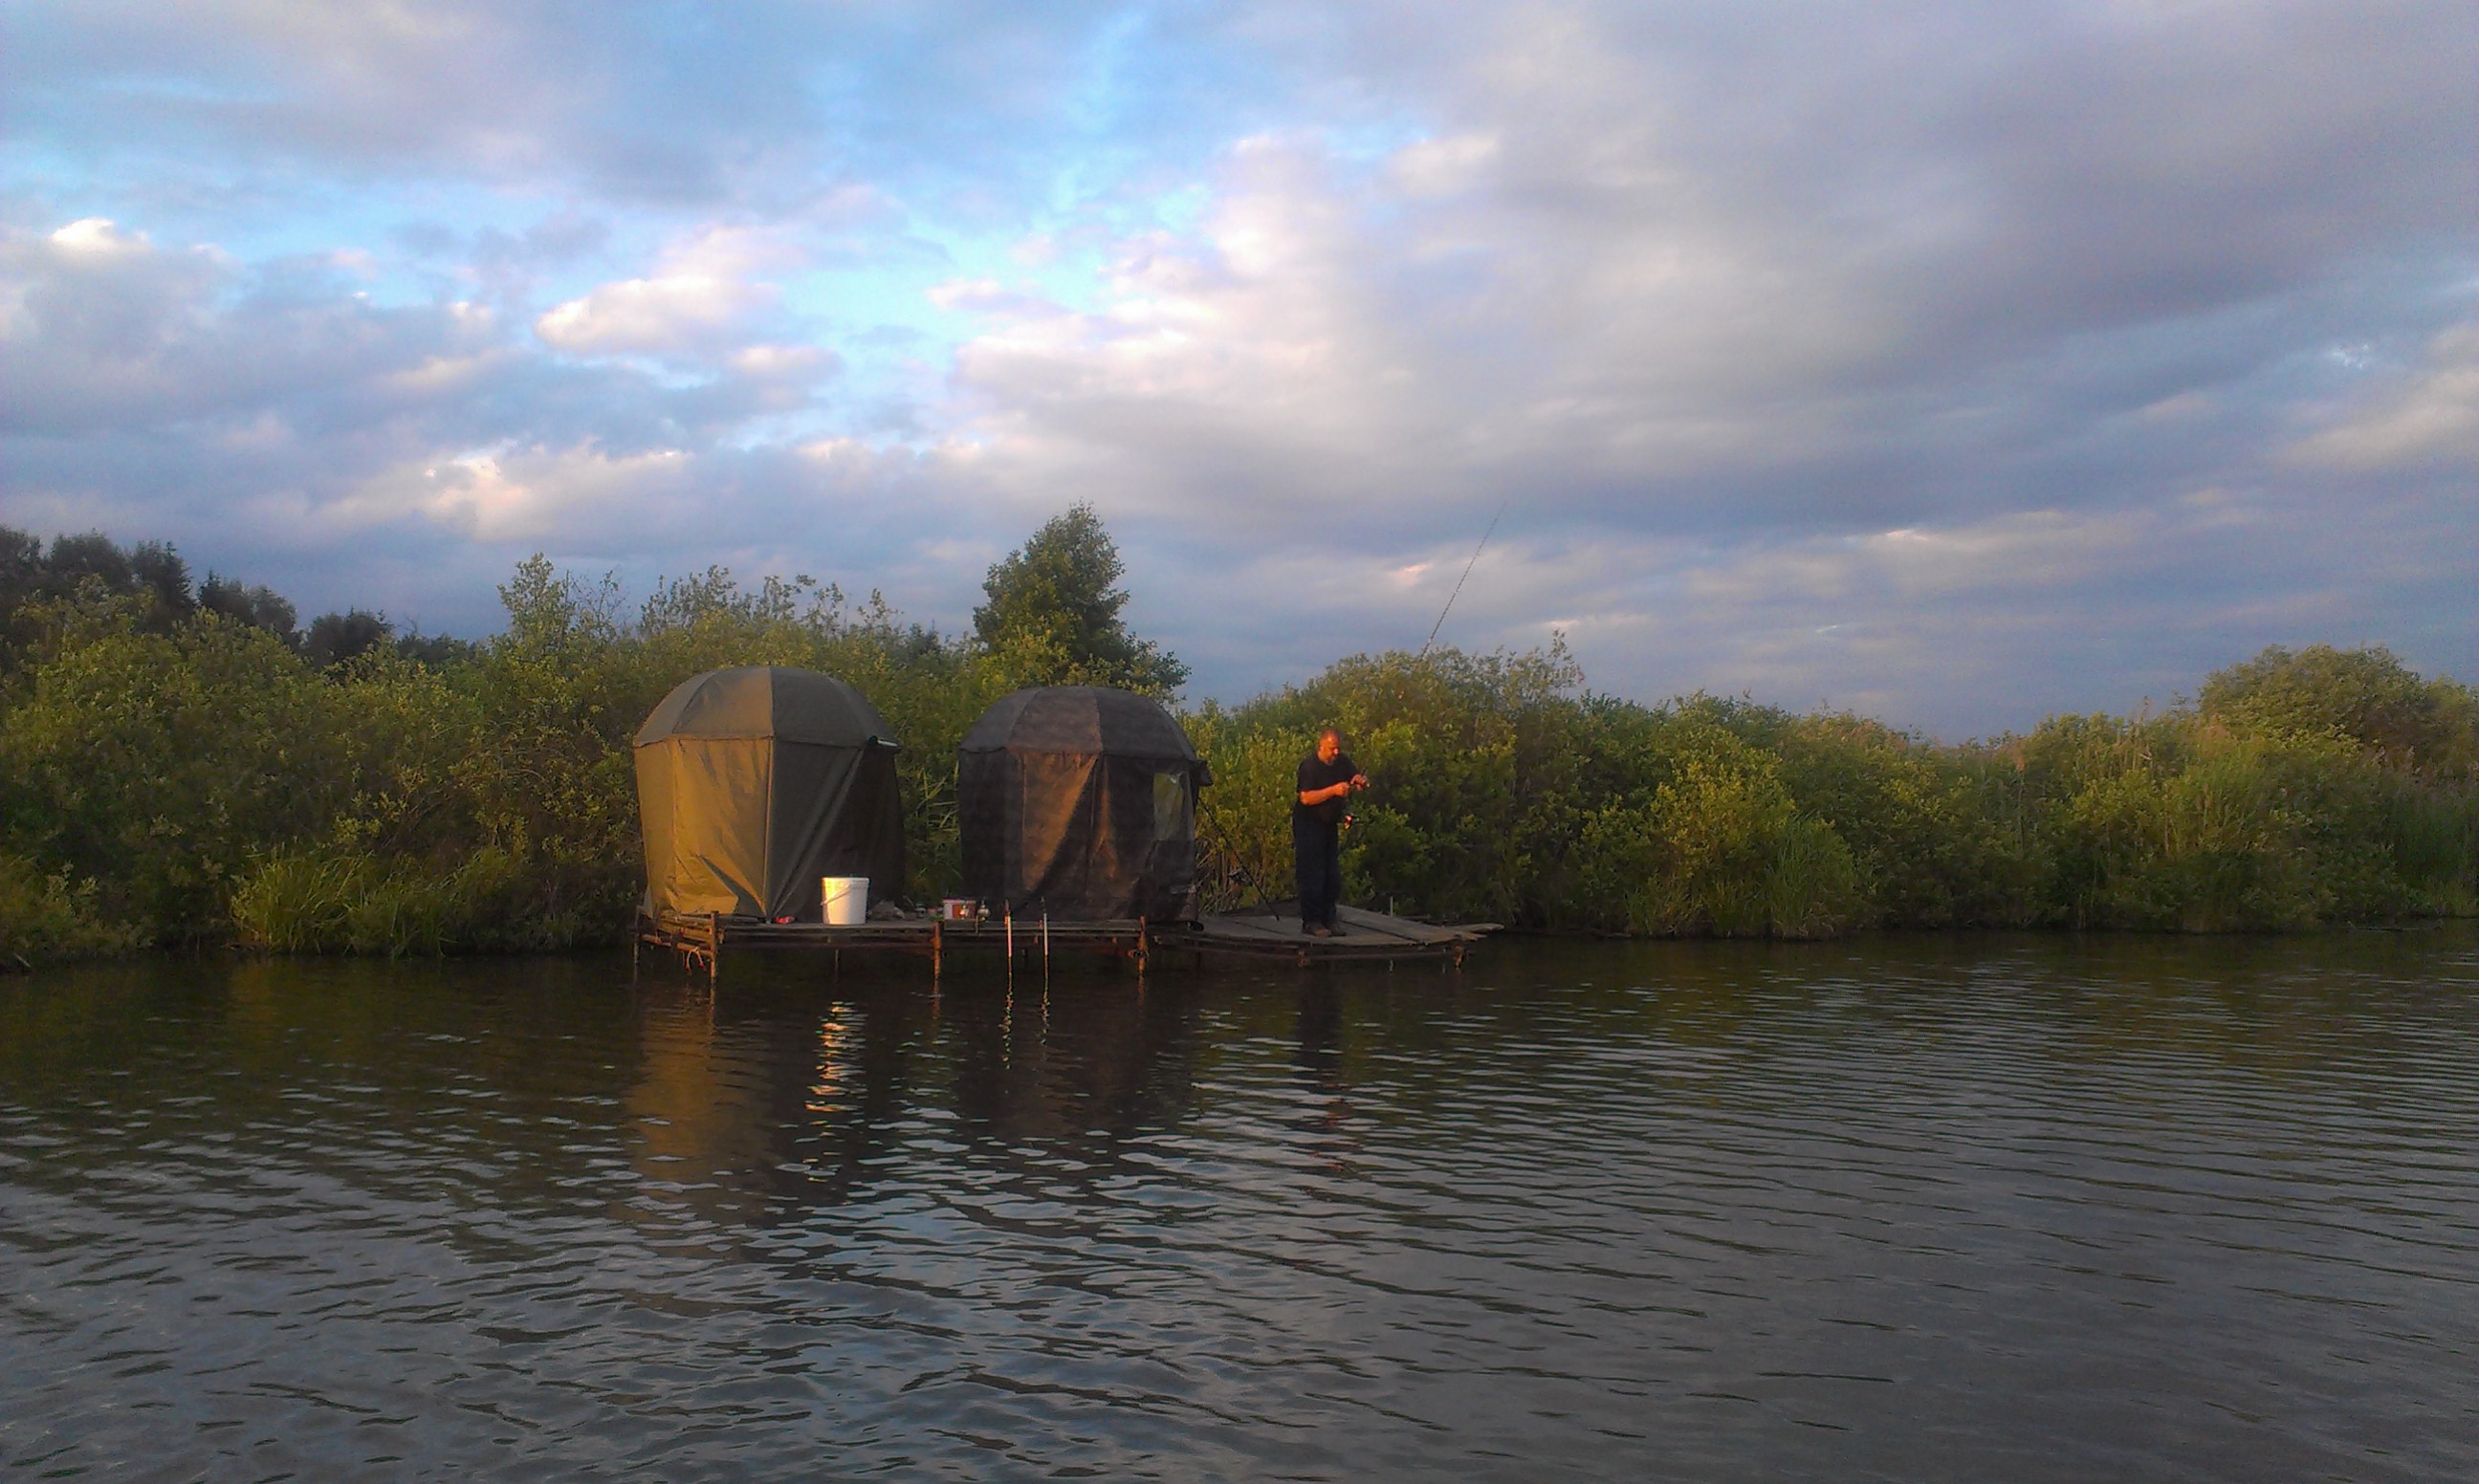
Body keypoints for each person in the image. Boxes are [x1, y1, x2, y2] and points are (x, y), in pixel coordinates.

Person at [1293, 728, 1366, 937]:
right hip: (1309, 824)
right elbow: (1306, 798)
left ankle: (1329, 919)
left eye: (1338, 749)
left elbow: (1353, 774)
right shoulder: (1309, 766)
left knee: (1331, 874)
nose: (1336, 753)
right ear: (1321, 745)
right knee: (1312, 873)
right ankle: (1311, 921)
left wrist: (1359, 780)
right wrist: (1333, 790)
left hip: (1329, 824)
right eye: (1332, 749)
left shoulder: (1341, 762)